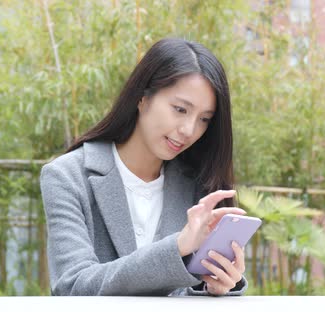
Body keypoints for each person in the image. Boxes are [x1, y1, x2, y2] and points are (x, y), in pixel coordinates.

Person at [40, 38, 248, 296]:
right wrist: (176, 248)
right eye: (180, 109)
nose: (189, 130)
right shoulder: (67, 177)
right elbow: (73, 287)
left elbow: (190, 292)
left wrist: (218, 286)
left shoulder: (199, 183)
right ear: (142, 98)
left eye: (204, 119)